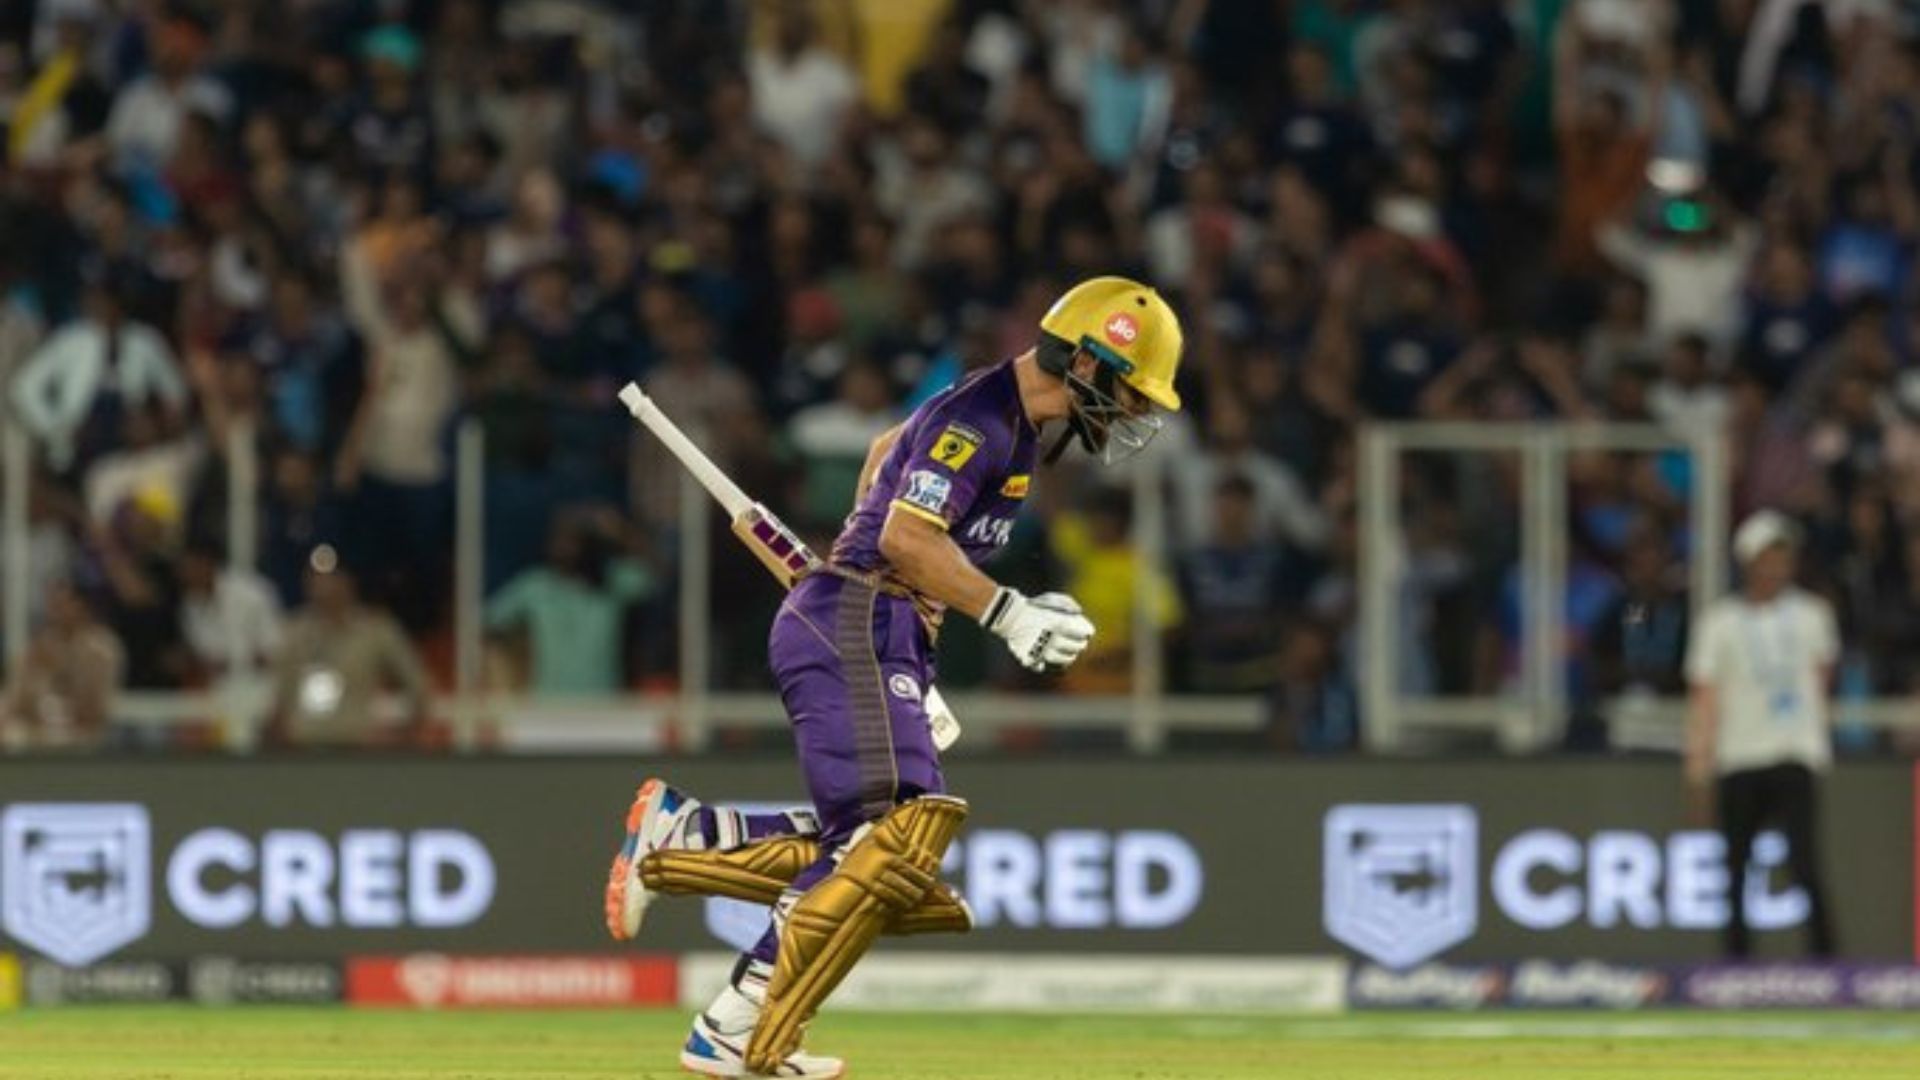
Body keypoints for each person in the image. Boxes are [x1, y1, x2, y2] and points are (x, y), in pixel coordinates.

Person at [602, 277, 1185, 1078]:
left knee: (886, 852)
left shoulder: (1000, 416)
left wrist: (869, 574)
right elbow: (911, 538)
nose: (1131, 412)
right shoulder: (982, 420)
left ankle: (685, 837)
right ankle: (736, 1025)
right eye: (1127, 388)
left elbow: (885, 454)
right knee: (890, 842)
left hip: (874, 623)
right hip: (858, 622)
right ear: (1085, 362)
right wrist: (1003, 610)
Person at [1684, 510, 1839, 958]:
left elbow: (1822, 679)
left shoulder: (1813, 614)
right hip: (1739, 754)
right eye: (1767, 556)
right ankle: (1736, 963)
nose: (1776, 566)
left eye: (1783, 556)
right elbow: (1704, 700)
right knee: (1736, 868)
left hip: (1795, 751)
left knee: (1805, 862)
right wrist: (1698, 765)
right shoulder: (1719, 623)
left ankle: (1828, 963)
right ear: (1747, 561)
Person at [265, 546, 430, 748]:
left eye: (329, 576)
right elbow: (277, 694)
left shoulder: (376, 630)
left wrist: (401, 736)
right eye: (314, 575)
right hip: (303, 750)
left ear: (347, 580)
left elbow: (419, 687)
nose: (319, 584)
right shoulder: (295, 632)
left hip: (357, 750)